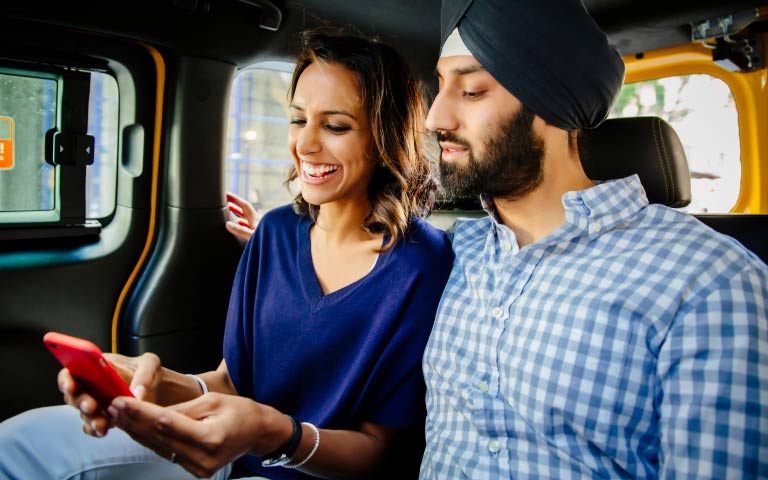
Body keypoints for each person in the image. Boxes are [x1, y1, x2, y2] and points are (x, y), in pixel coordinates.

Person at [0, 27, 454, 480]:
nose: (306, 144)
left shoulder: (420, 265)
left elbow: (382, 453)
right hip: (231, 454)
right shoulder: (275, 233)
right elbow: (231, 382)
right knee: (20, 442)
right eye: (298, 120)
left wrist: (276, 435)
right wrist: (158, 385)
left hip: (309, 471)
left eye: (335, 126)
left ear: (384, 137)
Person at [419, 0, 768, 478]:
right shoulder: (453, 251)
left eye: (472, 90)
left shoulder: (708, 280)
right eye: (441, 85)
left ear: (549, 104)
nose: (434, 118)